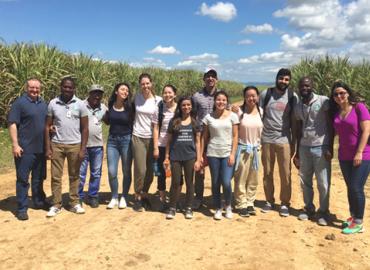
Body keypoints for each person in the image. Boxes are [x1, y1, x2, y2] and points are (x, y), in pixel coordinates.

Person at [44, 77, 88, 217]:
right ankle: (56, 204)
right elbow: (47, 126)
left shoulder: (80, 104)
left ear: (74, 89)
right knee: (56, 176)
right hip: (57, 144)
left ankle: (74, 202)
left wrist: (82, 149)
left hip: (75, 144)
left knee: (74, 175)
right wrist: (48, 147)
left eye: (70, 87)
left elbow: (85, 128)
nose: (67, 89)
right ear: (61, 87)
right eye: (65, 87)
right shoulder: (53, 103)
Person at [330, 81, 370, 234]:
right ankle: (353, 217)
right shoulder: (337, 112)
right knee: (350, 188)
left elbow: (366, 130)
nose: (339, 96)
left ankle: (359, 222)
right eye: (336, 94)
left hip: (363, 154)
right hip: (344, 156)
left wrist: (359, 152)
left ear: (348, 93)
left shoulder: (359, 107)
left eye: (342, 93)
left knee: (356, 187)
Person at [293, 77, 333, 226]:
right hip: (304, 147)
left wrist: (329, 146)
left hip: (321, 147)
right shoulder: (298, 106)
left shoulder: (324, 101)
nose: (305, 88)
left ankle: (323, 212)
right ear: (299, 87)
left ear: (312, 86)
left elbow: (330, 124)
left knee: (323, 182)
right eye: (302, 85)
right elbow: (298, 130)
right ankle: (309, 208)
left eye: (307, 85)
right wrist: (296, 152)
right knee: (305, 181)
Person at [259, 68, 298, 217]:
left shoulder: (292, 96)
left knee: (285, 173)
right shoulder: (266, 94)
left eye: (287, 79)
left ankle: (284, 203)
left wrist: (294, 142)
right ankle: (269, 201)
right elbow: (257, 113)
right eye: (281, 78)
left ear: (289, 81)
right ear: (277, 78)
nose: (284, 82)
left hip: (284, 140)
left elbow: (294, 121)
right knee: (267, 172)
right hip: (267, 139)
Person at [8, 78, 48, 220]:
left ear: (40, 89)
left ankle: (38, 201)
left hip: (41, 149)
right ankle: (22, 208)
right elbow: (12, 123)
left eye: (37, 88)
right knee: (23, 179)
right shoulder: (19, 103)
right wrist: (15, 144)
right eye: (32, 87)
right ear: (26, 88)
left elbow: (46, 123)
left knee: (38, 178)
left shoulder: (43, 103)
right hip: (24, 149)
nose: (34, 90)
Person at [202, 90, 239, 220]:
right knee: (215, 182)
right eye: (218, 100)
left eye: (223, 100)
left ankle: (228, 205)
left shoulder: (233, 116)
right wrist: (202, 154)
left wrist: (233, 154)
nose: (221, 102)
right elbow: (204, 137)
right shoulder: (208, 118)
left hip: (227, 153)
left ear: (226, 101)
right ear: (214, 101)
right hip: (213, 153)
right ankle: (218, 207)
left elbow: (235, 136)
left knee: (226, 181)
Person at [164, 96, 202, 220]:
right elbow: (168, 141)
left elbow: (197, 141)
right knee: (175, 182)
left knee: (190, 183)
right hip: (175, 157)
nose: (186, 107)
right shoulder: (174, 121)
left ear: (191, 106)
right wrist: (167, 157)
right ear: (180, 107)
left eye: (188, 105)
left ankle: (188, 207)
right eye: (184, 105)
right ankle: (172, 207)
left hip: (190, 157)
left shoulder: (195, 122)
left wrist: (198, 158)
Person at [132, 73, 162, 211]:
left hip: (152, 138)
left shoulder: (158, 100)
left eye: (147, 83)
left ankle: (144, 194)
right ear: (140, 85)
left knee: (150, 170)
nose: (145, 86)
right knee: (140, 169)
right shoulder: (136, 98)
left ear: (151, 83)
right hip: (138, 136)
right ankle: (137, 196)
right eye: (143, 84)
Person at [192, 69, 220, 209]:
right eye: (208, 76)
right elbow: (192, 115)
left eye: (213, 77)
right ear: (204, 79)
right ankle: (198, 197)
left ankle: (216, 197)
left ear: (217, 79)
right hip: (201, 136)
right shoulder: (196, 96)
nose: (210, 79)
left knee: (217, 169)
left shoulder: (221, 96)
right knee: (200, 168)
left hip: (217, 137)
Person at [234, 86, 263, 218]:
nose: (251, 98)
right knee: (241, 178)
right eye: (248, 96)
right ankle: (241, 203)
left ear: (257, 97)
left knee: (253, 178)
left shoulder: (261, 112)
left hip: (256, 150)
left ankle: (250, 202)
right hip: (243, 149)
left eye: (253, 96)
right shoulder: (239, 112)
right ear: (244, 98)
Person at [104, 83, 134, 209]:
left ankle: (124, 197)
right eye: (122, 89)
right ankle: (114, 196)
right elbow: (106, 121)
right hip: (112, 141)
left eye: (127, 90)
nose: (125, 92)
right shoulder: (110, 105)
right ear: (116, 91)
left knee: (126, 171)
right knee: (112, 171)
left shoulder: (131, 107)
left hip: (126, 140)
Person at [78, 84, 107, 209]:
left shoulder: (104, 108)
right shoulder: (80, 105)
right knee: (80, 173)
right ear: (89, 93)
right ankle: (77, 197)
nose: (97, 96)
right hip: (82, 145)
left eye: (99, 93)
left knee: (96, 173)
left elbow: (110, 120)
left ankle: (93, 196)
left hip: (97, 146)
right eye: (94, 93)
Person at [152, 84, 177, 208]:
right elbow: (156, 128)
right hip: (161, 144)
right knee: (161, 173)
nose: (167, 95)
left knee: (177, 172)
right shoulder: (159, 109)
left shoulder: (179, 109)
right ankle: (162, 199)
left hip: (176, 145)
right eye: (165, 93)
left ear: (175, 94)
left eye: (170, 92)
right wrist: (155, 146)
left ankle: (175, 198)